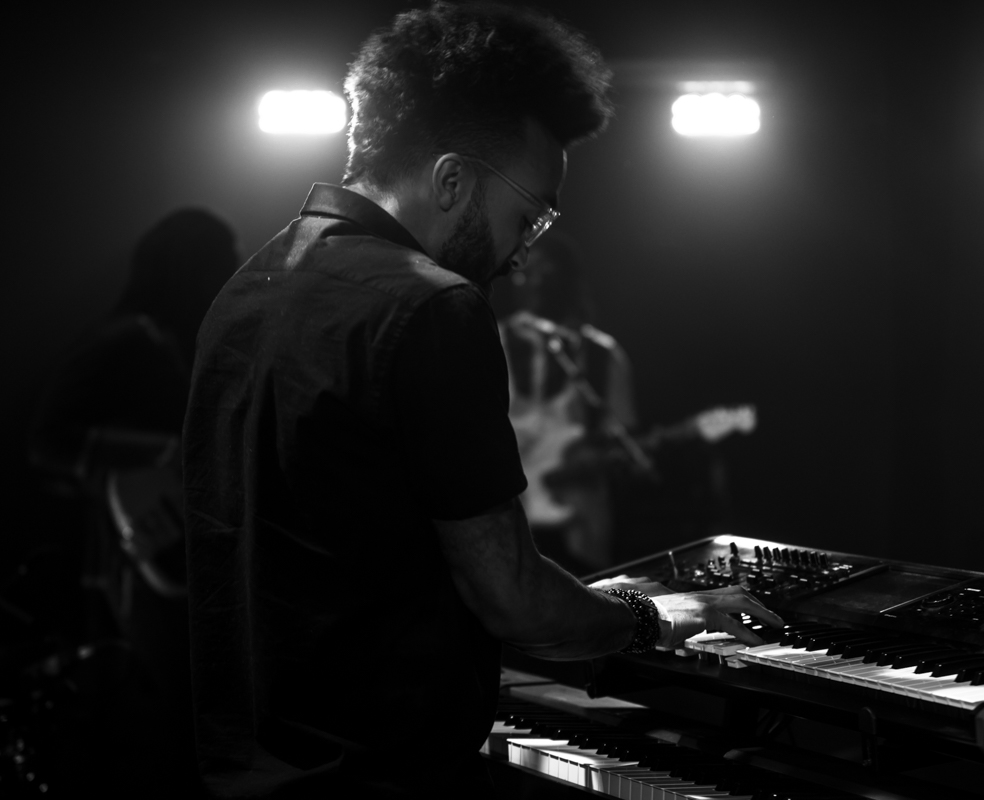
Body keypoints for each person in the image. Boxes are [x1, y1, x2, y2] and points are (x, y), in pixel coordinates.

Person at [182, 4, 782, 798]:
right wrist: (654, 615)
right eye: (527, 217)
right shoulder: (432, 306)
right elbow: (513, 599)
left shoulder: (247, 289)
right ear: (452, 180)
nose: (522, 255)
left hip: (243, 773)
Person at [28, 207, 238, 794]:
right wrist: (167, 451)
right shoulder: (126, 338)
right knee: (159, 729)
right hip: (136, 570)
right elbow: (47, 440)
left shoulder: (166, 341)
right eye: (221, 259)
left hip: (162, 562)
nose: (233, 271)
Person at [495, 230, 637, 573]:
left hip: (579, 528)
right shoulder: (490, 338)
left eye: (548, 271)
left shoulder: (603, 355)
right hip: (509, 523)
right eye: (527, 271)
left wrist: (594, 463)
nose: (536, 281)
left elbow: (622, 443)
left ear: (569, 279)